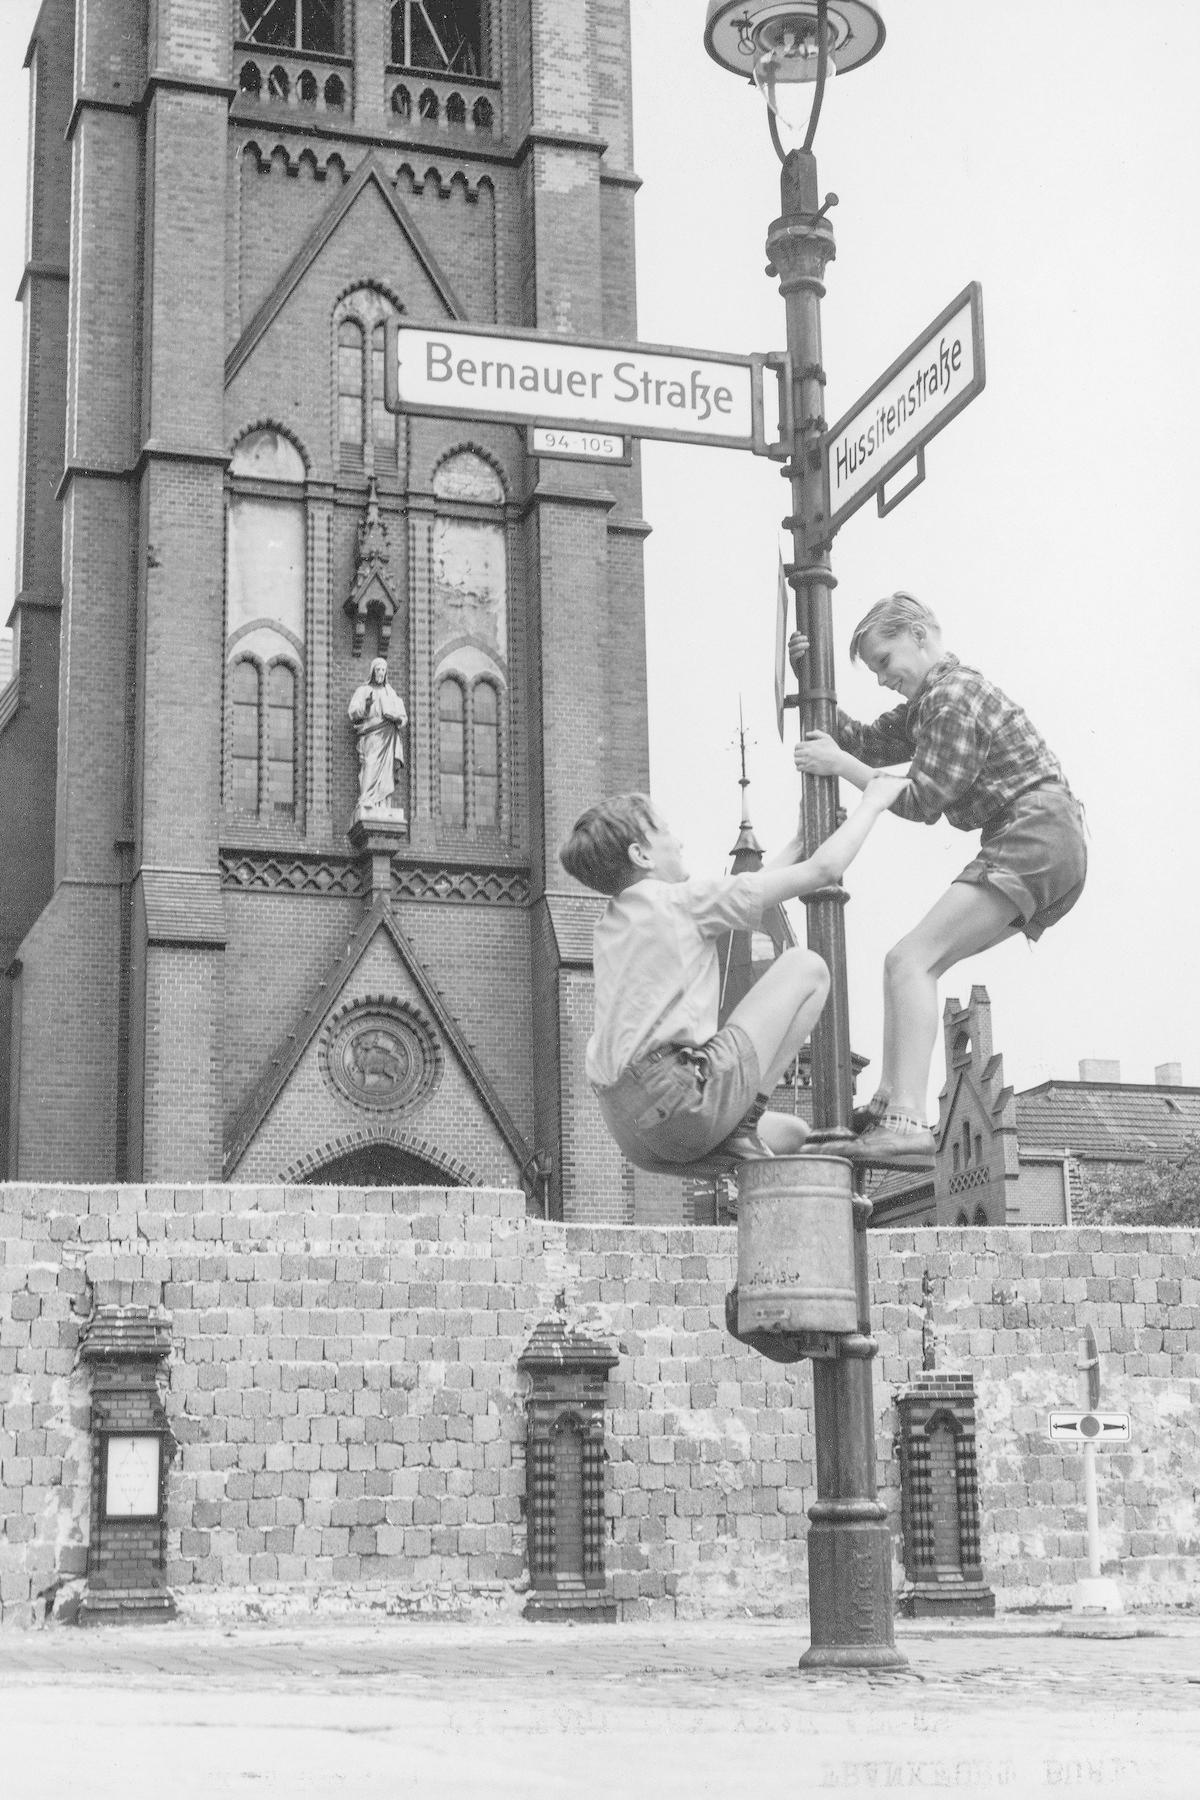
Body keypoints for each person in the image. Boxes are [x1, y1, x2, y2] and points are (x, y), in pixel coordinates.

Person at [791, 591, 1086, 1164]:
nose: (881, 678)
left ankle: (904, 1120)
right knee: (909, 962)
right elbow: (865, 739)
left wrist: (842, 770)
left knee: (910, 961)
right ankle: (889, 1105)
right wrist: (810, 675)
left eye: (884, 661)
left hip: (1036, 832)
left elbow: (923, 800)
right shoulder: (930, 701)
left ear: (920, 636)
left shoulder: (952, 698)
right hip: (1043, 838)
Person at [559, 775, 908, 1172]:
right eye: (667, 832)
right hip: (677, 1103)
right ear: (642, 855)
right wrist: (873, 804)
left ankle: (747, 1134)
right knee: (806, 967)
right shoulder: (680, 902)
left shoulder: (615, 924)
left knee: (791, 1133)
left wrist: (797, 842)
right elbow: (825, 870)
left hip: (636, 1135)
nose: (679, 841)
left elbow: (748, 893)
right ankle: (745, 1123)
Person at [348, 657, 407, 810]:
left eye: (383, 670)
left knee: (386, 771)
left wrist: (398, 718)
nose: (380, 672)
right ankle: (366, 797)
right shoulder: (364, 691)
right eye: (378, 669)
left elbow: (403, 716)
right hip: (372, 733)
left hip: (388, 734)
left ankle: (382, 803)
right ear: (373, 672)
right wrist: (367, 706)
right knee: (370, 763)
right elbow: (353, 712)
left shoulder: (391, 692)